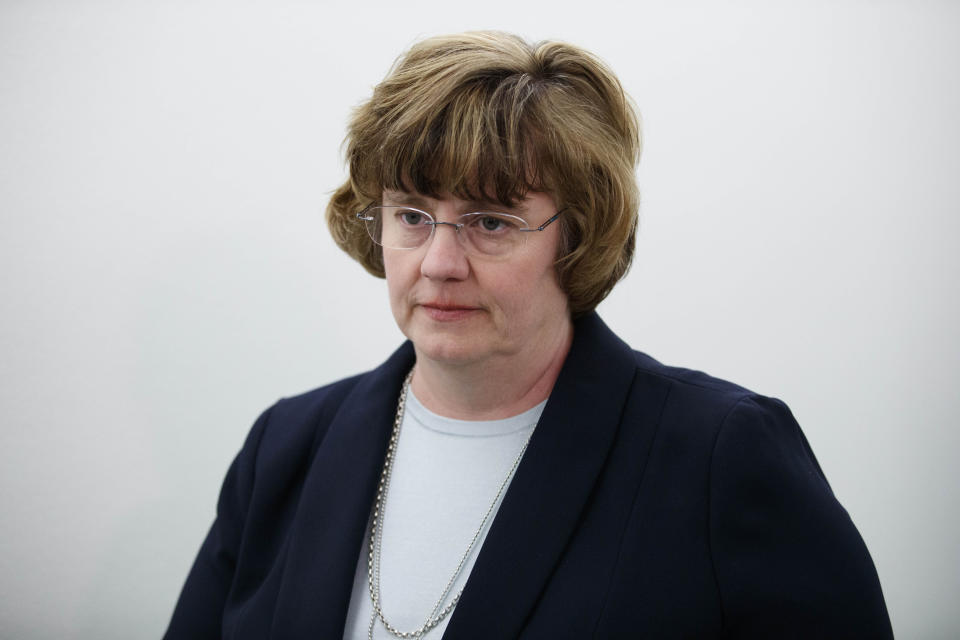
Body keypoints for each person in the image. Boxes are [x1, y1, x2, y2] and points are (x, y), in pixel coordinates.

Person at [165, 31, 893, 639]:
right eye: (411, 216)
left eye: (490, 221)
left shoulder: (720, 456)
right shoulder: (287, 447)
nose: (440, 264)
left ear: (577, 237)